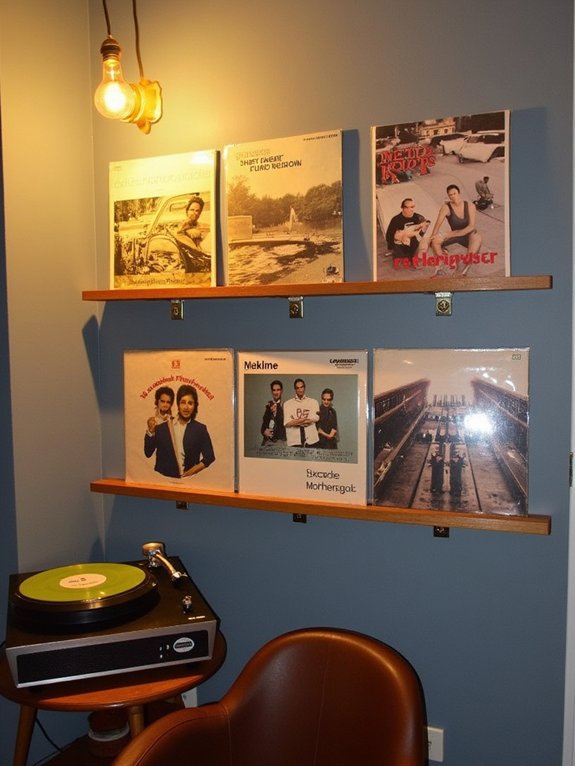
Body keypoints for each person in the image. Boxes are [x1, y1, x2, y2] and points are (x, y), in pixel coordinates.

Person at [144, 384, 215, 479]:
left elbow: (209, 457)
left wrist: (191, 472)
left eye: (190, 403)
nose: (186, 407)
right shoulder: (162, 427)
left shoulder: (200, 429)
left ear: (195, 406)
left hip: (189, 482)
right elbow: (148, 453)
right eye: (183, 402)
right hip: (162, 480)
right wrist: (151, 431)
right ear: (178, 404)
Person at [429, 184, 482, 276]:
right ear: (448, 196)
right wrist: (433, 237)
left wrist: (451, 234)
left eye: (455, 193)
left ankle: (464, 271)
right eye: (450, 195)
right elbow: (438, 224)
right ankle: (445, 263)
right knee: (435, 241)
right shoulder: (446, 207)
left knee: (476, 238)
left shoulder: (470, 205)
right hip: (456, 236)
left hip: (469, 235)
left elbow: (471, 227)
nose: (453, 196)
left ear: (459, 193)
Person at [385, 198, 431, 266]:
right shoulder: (396, 219)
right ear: (403, 208)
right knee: (402, 263)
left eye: (412, 207)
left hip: (413, 241)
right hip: (400, 243)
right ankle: (399, 254)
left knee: (424, 242)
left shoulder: (418, 217)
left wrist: (419, 234)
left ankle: (414, 257)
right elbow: (389, 236)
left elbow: (423, 230)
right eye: (407, 207)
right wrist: (393, 247)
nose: (411, 209)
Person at [284, 378, 319, 447]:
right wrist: (305, 420)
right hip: (294, 440)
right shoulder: (287, 404)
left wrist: (295, 421)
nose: (300, 390)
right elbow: (287, 423)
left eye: (301, 387)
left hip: (312, 440)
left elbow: (316, 418)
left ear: (304, 387)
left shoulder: (313, 402)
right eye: (297, 388)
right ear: (295, 389)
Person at [260, 379, 286, 445]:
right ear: (272, 392)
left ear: (281, 391)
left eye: (278, 390)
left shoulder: (285, 405)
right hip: (267, 441)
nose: (276, 392)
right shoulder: (268, 406)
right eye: (274, 390)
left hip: (280, 441)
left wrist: (278, 408)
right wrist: (264, 432)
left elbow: (283, 425)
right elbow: (264, 425)